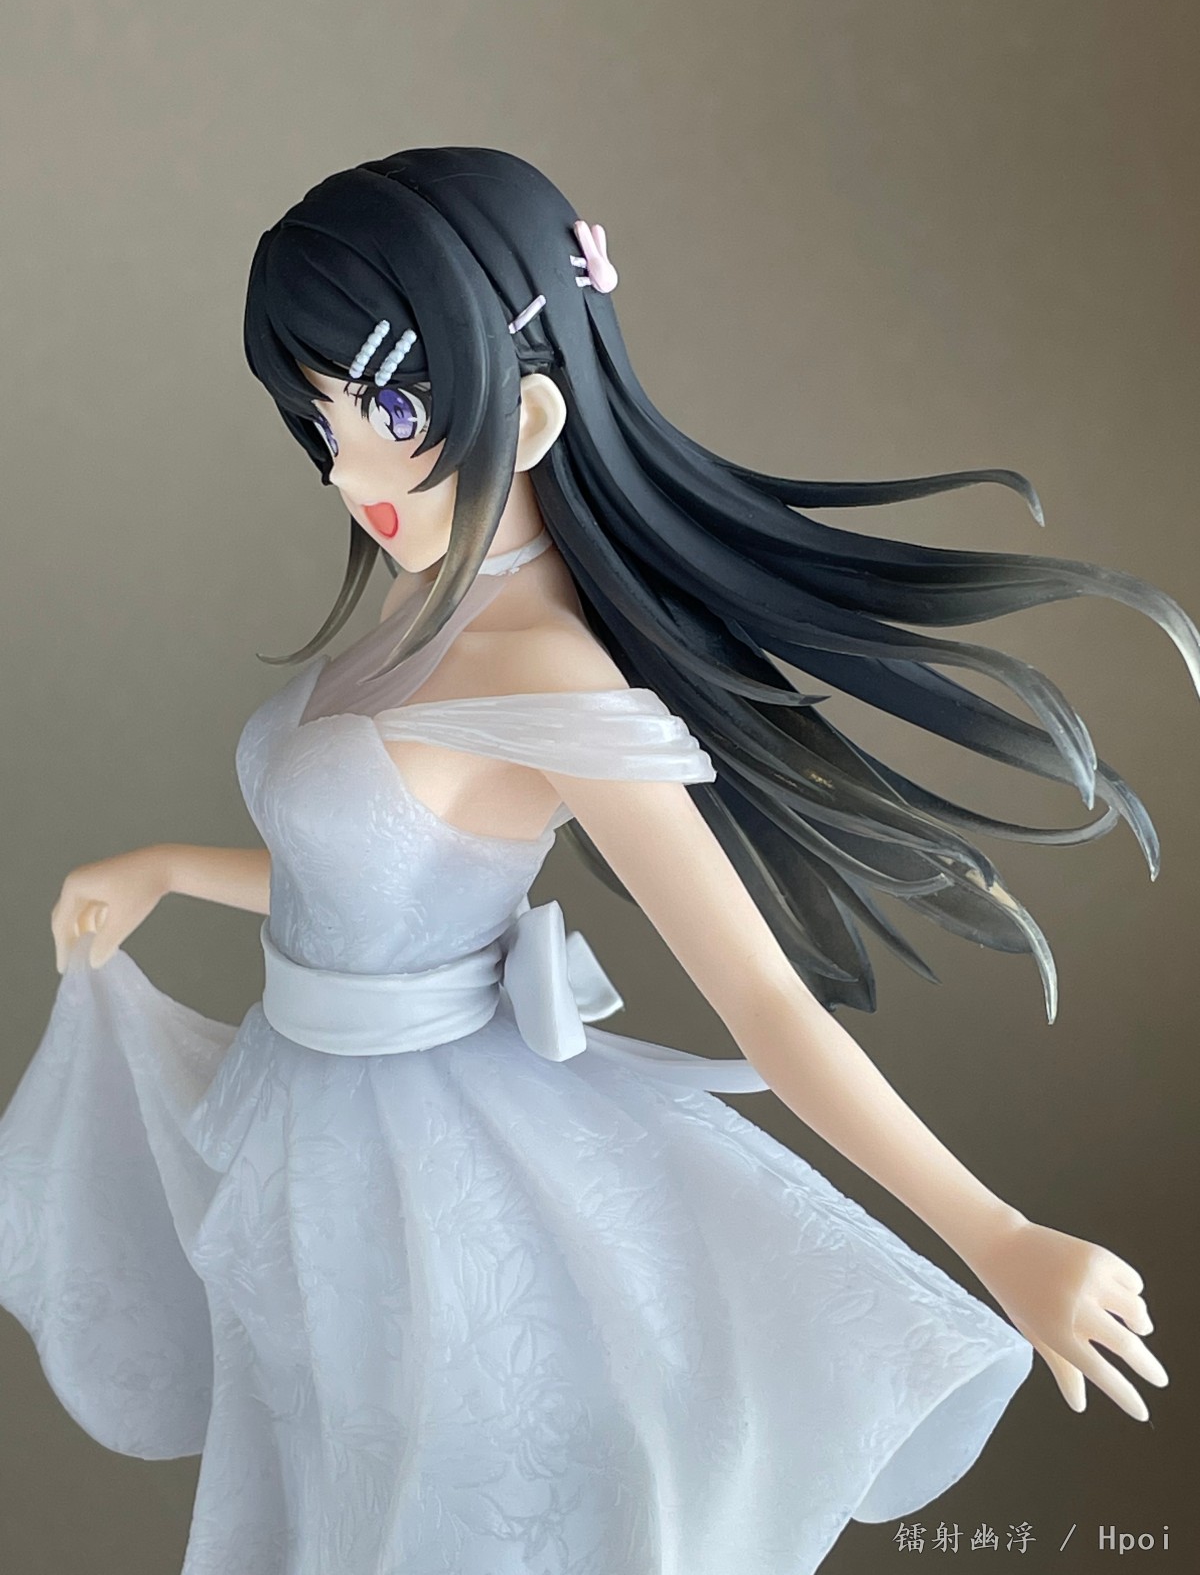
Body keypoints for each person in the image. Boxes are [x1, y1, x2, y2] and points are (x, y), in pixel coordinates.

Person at [0, 146, 1180, 1575]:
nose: (350, 472)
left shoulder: (549, 673)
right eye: (322, 426)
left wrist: (997, 1237)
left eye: (386, 413)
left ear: (532, 408)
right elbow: (376, 886)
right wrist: (171, 868)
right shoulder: (425, 597)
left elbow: (765, 1004)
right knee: (330, 1488)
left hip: (433, 1179)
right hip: (307, 1139)